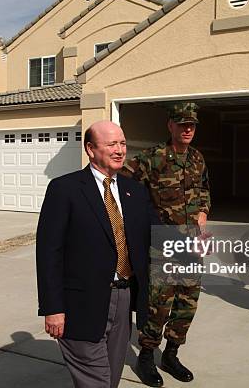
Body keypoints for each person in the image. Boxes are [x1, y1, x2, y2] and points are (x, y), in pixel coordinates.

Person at [36, 121, 156, 388]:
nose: (120, 150)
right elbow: (48, 253)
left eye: (122, 143)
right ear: (90, 149)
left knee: (111, 379)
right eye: (112, 144)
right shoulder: (64, 189)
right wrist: (53, 308)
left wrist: (194, 239)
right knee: (97, 382)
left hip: (124, 298)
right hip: (80, 304)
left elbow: (156, 232)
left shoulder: (133, 190)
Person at [121, 102, 210, 387]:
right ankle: (146, 355)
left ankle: (171, 354)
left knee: (187, 304)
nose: (187, 129)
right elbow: (123, 186)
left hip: (192, 244)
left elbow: (204, 190)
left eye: (191, 125)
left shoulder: (197, 158)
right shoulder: (151, 158)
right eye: (182, 124)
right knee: (159, 304)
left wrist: (204, 214)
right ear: (170, 125)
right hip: (163, 245)